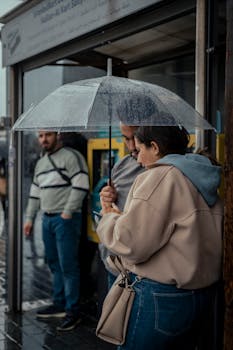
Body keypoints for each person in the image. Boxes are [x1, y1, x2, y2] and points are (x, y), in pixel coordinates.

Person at [97, 126, 223, 350]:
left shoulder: (159, 175)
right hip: (202, 295)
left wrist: (108, 216)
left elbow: (131, 243)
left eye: (140, 147)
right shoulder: (202, 174)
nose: (137, 157)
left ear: (154, 147)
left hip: (161, 297)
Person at [24, 131, 89, 331]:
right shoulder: (41, 163)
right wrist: (29, 218)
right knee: (53, 263)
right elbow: (35, 193)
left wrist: (68, 212)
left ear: (57, 136)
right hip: (47, 219)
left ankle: (73, 311)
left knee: (68, 265)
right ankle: (59, 303)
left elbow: (81, 184)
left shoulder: (71, 156)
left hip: (65, 219)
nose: (44, 139)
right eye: (41, 136)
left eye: (48, 135)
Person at [98, 124, 144, 286]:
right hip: (114, 262)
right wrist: (108, 196)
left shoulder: (163, 169)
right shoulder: (121, 165)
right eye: (126, 139)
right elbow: (109, 204)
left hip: (139, 268)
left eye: (136, 138)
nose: (132, 146)